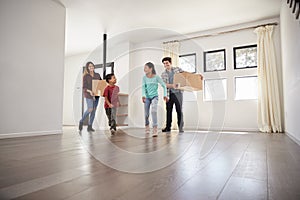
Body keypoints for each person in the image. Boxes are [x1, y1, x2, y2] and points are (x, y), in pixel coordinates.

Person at [142, 62, 168, 137]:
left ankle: (155, 128)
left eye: (146, 67)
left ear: (151, 69)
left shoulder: (156, 77)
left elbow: (164, 85)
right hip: (147, 97)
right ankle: (147, 126)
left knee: (153, 110)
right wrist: (143, 95)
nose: (144, 69)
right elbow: (143, 87)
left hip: (154, 97)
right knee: (146, 114)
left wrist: (165, 95)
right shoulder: (144, 78)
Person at [161, 57, 185, 133]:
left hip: (178, 93)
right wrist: (173, 86)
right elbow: (164, 85)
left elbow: (187, 75)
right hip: (169, 94)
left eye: (167, 63)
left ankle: (180, 128)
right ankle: (168, 127)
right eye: (164, 63)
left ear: (170, 63)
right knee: (168, 111)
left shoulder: (177, 69)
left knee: (179, 110)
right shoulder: (163, 74)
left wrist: (197, 76)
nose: (165, 65)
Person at [79, 61, 102, 132]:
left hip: (97, 95)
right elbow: (84, 87)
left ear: (94, 67)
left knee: (94, 111)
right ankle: (81, 121)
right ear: (87, 68)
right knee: (90, 109)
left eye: (92, 66)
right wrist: (90, 91)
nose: (91, 67)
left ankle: (90, 126)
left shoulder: (97, 75)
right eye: (89, 66)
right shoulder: (85, 76)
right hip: (89, 95)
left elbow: (101, 83)